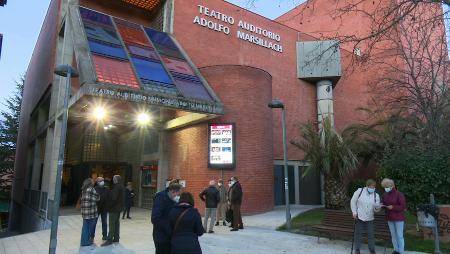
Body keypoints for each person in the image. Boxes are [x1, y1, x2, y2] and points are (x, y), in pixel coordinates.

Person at [350, 179, 382, 254]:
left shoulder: (376, 195)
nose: (372, 188)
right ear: (367, 186)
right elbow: (353, 201)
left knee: (370, 234)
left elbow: (376, 209)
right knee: (358, 234)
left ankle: (372, 249)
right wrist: (354, 212)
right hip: (359, 216)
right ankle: (357, 249)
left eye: (374, 187)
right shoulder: (359, 192)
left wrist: (377, 207)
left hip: (370, 218)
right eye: (371, 186)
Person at [152, 182, 183, 254]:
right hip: (161, 236)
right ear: (172, 191)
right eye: (178, 194)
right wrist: (169, 228)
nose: (178, 196)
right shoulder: (160, 198)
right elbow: (155, 218)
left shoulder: (173, 200)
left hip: (169, 236)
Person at [381, 178, 406, 254]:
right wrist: (380, 205)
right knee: (393, 235)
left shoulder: (399, 194)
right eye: (384, 187)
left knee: (399, 235)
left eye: (387, 186)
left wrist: (393, 207)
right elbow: (383, 203)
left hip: (398, 218)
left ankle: (401, 251)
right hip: (390, 218)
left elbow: (403, 206)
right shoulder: (385, 194)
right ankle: (396, 250)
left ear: (392, 186)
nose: (386, 188)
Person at [101, 175, 125, 246]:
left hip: (114, 209)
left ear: (117, 180)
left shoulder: (116, 187)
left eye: (114, 178)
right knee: (116, 223)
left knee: (112, 224)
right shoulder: (122, 186)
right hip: (118, 208)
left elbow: (113, 198)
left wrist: (108, 206)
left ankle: (109, 239)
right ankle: (116, 238)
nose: (113, 179)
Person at [80, 178, 100, 247]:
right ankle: (86, 242)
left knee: (85, 227)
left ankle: (83, 241)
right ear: (90, 183)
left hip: (84, 211)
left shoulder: (84, 189)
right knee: (89, 227)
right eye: (92, 181)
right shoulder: (92, 189)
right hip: (91, 212)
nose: (93, 182)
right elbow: (97, 198)